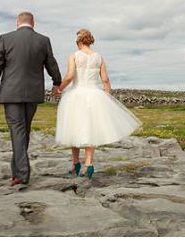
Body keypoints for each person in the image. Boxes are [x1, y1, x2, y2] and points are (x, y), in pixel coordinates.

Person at [54, 28, 141, 179]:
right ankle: (88, 165)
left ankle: (75, 163)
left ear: (79, 41)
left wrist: (59, 89)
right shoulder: (99, 57)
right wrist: (107, 96)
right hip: (94, 95)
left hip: (76, 95)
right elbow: (105, 80)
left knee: (73, 127)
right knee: (90, 129)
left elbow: (69, 76)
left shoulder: (74, 56)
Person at [0, 11, 61, 187]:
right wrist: (56, 82)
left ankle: (21, 173)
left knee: (18, 130)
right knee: (23, 130)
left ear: (17, 22)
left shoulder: (5, 38)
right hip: (33, 93)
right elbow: (51, 63)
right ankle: (18, 170)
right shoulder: (43, 40)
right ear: (33, 23)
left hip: (11, 93)